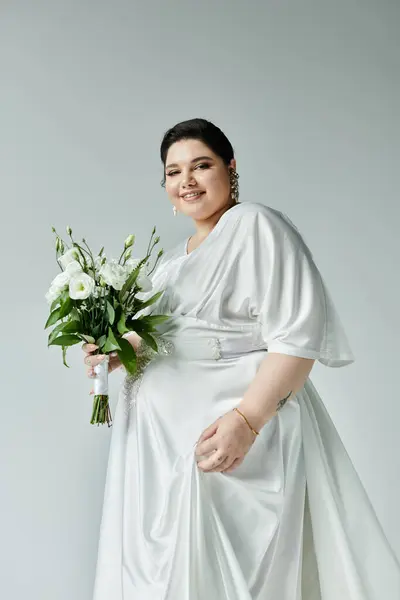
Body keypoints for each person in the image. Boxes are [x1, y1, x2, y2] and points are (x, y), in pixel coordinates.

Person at [83, 118, 400, 599]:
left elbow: (297, 335)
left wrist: (248, 421)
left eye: (200, 165)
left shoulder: (255, 226)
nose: (186, 180)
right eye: (173, 172)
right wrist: (117, 352)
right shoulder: (171, 264)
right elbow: (170, 340)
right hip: (160, 452)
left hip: (227, 440)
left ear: (230, 169)